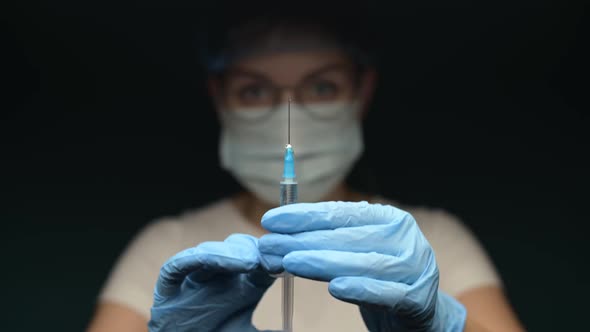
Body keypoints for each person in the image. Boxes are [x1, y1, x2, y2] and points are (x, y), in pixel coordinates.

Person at [87, 5, 525, 332]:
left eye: (321, 86)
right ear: (219, 97)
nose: (287, 111)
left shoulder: (423, 239)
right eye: (254, 90)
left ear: (363, 89)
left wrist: (446, 326)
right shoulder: (172, 246)